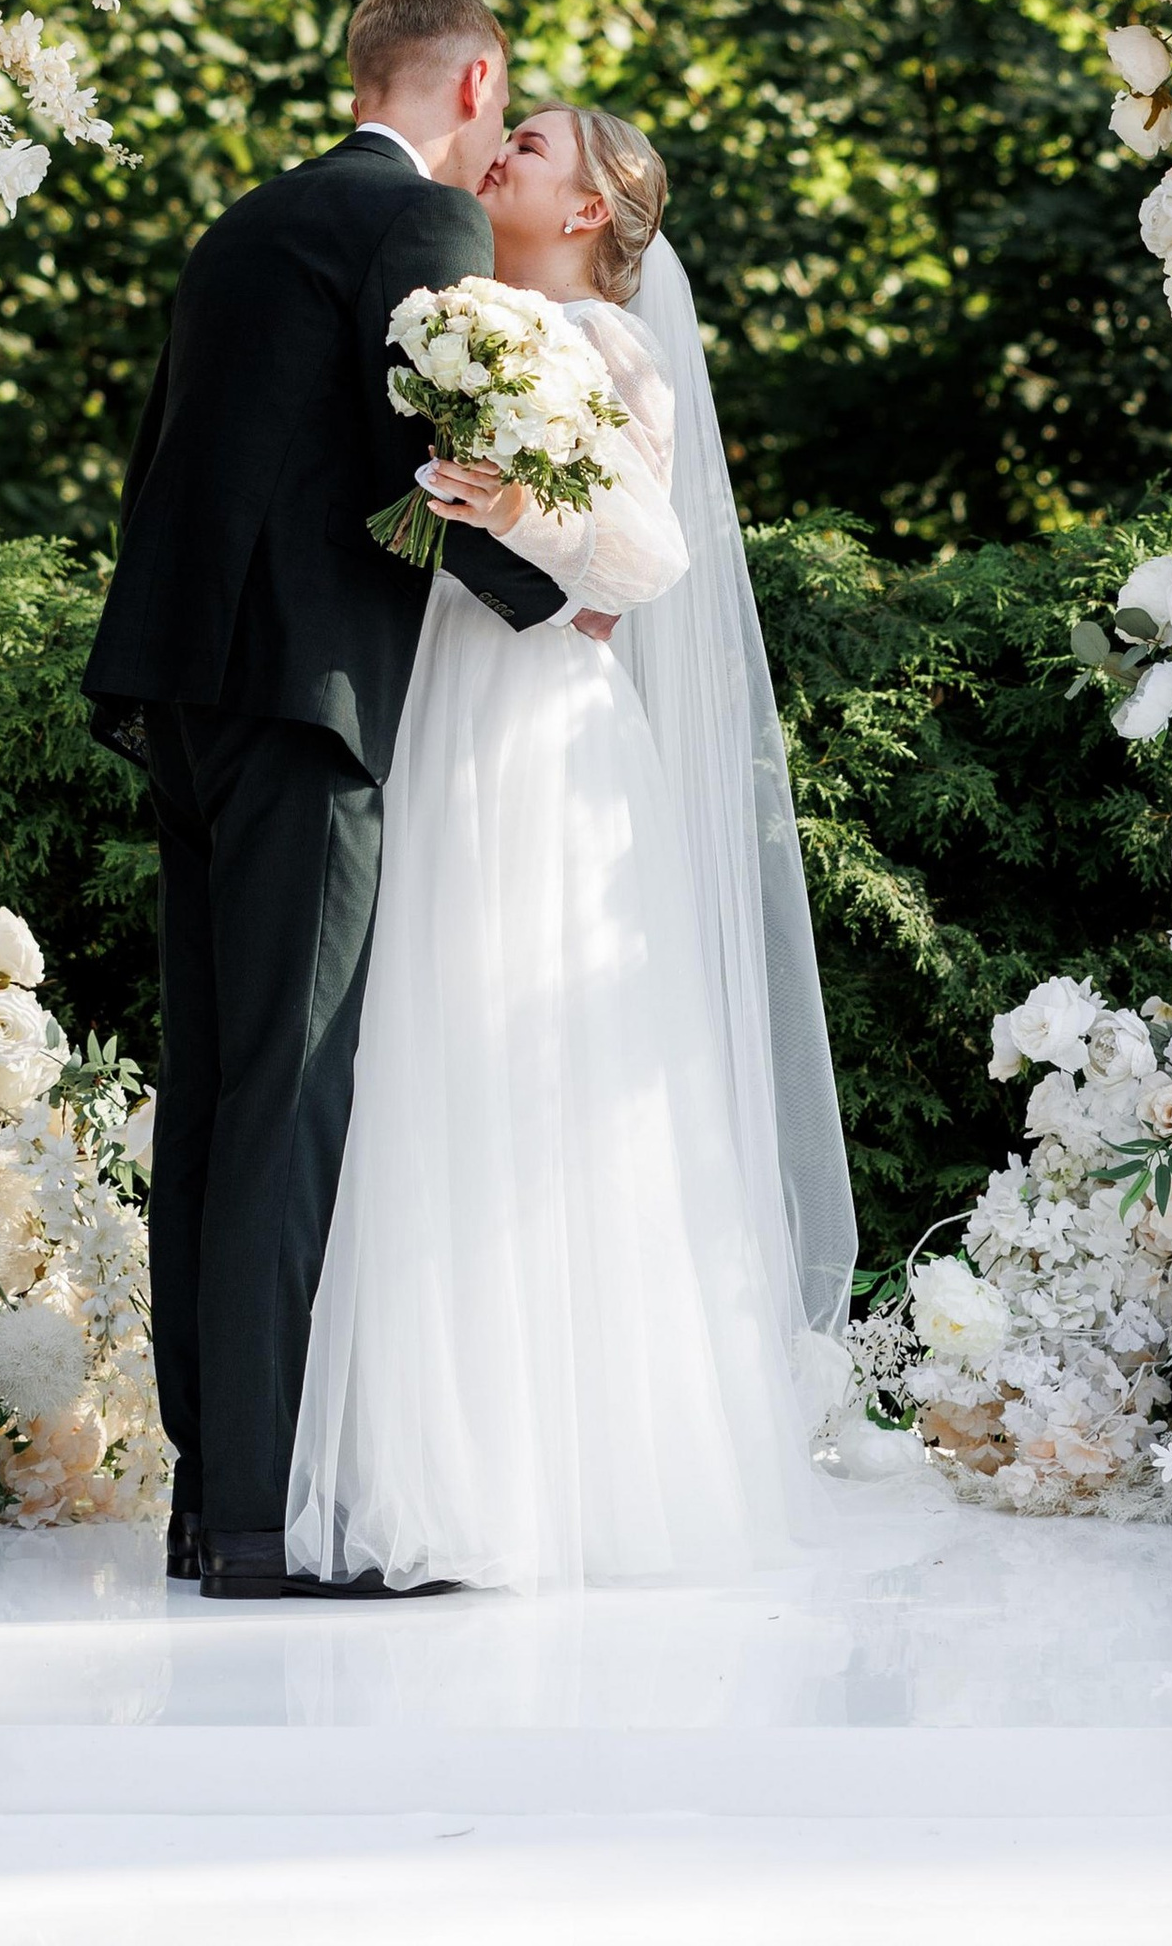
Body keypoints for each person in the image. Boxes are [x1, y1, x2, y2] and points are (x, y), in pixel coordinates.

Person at [285, 105, 858, 1592]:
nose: (503, 160)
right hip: (448, 700)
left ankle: (571, 1473)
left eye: (531, 147)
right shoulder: (459, 321)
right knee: (441, 1055)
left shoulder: (607, 348)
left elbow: (639, 563)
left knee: (540, 1057)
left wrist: (521, 507)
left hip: (545, 724)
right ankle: (444, 1462)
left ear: (595, 209)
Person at [84, 0, 572, 1600]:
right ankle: (275, 1522)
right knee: (291, 1097)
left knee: (216, 1096)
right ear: (477, 80)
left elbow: (166, 456)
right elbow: (415, 475)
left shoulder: (242, 226)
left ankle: (208, 1497)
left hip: (186, 693)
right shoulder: (414, 233)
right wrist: (562, 594)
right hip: (308, 699)